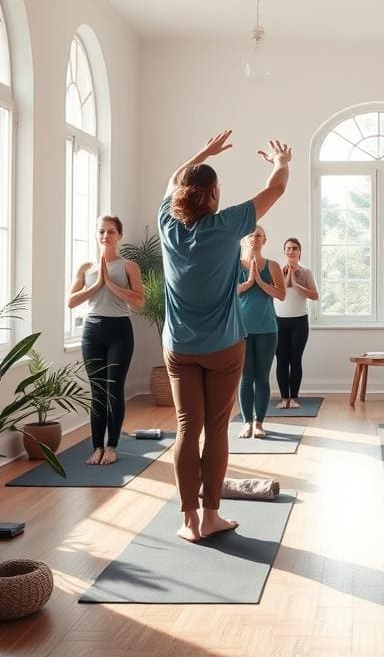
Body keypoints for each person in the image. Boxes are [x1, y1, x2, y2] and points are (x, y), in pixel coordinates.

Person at [159, 130, 291, 542]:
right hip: (223, 346)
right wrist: (281, 160)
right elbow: (277, 187)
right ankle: (212, 514)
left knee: (186, 428)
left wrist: (203, 153)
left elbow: (173, 179)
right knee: (216, 429)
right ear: (214, 193)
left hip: (179, 347)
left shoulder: (167, 223)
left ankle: (190, 521)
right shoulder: (226, 225)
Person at [67, 215, 144, 466]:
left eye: (111, 232)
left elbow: (139, 301)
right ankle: (97, 447)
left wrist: (110, 283)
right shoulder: (86, 268)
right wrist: (98, 283)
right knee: (97, 391)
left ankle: (112, 447)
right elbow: (71, 302)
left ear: (119, 235)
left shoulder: (129, 266)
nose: (105, 236)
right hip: (92, 330)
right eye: (101, 231)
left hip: (119, 329)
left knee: (114, 390)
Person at [237, 225, 285, 437]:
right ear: (245, 240)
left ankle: (259, 423)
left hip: (267, 329)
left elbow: (281, 294)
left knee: (262, 378)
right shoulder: (235, 265)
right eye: (251, 235)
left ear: (264, 240)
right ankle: (247, 422)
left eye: (258, 235)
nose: (254, 238)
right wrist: (248, 283)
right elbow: (230, 293)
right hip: (242, 330)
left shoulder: (273, 266)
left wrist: (261, 282)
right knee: (246, 378)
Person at [274, 237, 319, 409]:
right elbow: (279, 293)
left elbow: (315, 295)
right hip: (279, 321)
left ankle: (293, 398)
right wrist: (288, 276)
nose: (291, 251)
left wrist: (295, 281)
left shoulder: (306, 272)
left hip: (299, 322)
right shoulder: (277, 270)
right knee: (281, 360)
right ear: (284, 251)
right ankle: (284, 398)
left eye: (294, 248)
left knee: (295, 359)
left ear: (300, 252)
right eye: (288, 248)